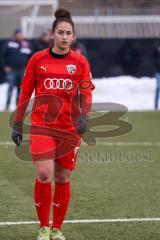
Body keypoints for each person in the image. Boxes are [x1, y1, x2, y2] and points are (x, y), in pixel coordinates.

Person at [11, 8, 94, 240]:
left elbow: (86, 92)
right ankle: (43, 227)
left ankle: (57, 228)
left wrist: (84, 115)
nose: (65, 37)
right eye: (60, 32)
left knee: (62, 178)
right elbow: (26, 91)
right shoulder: (38, 59)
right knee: (45, 173)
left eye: (69, 33)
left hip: (68, 129)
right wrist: (18, 122)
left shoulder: (80, 62)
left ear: (73, 36)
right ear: (52, 34)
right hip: (42, 126)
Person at [1, 28, 32, 110]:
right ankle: (7, 105)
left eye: (21, 34)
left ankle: (18, 105)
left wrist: (28, 67)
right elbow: (2, 55)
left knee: (20, 88)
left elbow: (30, 57)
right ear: (15, 34)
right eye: (19, 34)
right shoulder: (9, 43)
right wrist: (5, 66)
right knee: (10, 87)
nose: (20, 35)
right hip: (11, 70)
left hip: (21, 70)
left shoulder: (26, 44)